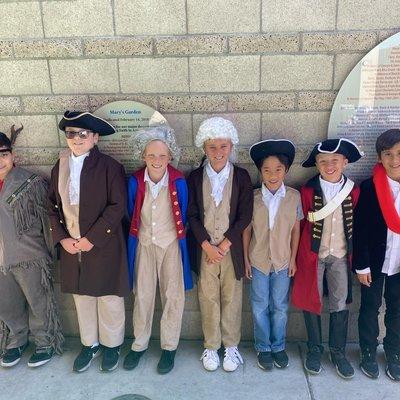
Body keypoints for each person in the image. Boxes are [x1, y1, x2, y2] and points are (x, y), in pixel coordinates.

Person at [48, 111, 129, 373]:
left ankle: (112, 345)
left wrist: (91, 239)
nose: (77, 138)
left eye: (83, 134)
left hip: (103, 244)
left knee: (107, 297)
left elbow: (117, 207)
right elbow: (50, 207)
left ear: (95, 138)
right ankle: (90, 344)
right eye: (71, 134)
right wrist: (61, 239)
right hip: (71, 245)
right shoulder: (59, 166)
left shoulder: (110, 167)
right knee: (82, 297)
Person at [123, 125, 193, 374]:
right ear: (143, 156)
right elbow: (131, 212)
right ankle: (139, 345)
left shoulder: (178, 181)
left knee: (173, 296)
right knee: (142, 295)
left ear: (170, 157)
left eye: (162, 156)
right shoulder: (134, 181)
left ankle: (169, 347)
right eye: (151, 155)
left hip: (171, 244)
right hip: (143, 244)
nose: (156, 160)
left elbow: (183, 212)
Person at [292, 138, 363, 379]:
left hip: (341, 255)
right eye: (323, 161)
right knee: (311, 300)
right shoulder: (308, 190)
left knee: (340, 301)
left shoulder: (354, 191)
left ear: (344, 162)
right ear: (317, 164)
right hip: (313, 255)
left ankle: (338, 352)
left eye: (334, 160)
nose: (329, 165)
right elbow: (301, 224)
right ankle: (314, 348)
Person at [187, 117, 253, 372]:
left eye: (223, 147)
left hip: (230, 250)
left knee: (232, 298)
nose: (218, 152)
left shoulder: (242, 177)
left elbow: (244, 215)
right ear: (204, 148)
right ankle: (211, 346)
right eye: (212, 147)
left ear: (231, 147)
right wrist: (205, 244)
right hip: (206, 251)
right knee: (208, 298)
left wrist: (224, 245)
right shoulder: (194, 177)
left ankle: (231, 347)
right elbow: (192, 213)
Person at [0, 127, 63, 368]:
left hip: (30, 256)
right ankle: (16, 341)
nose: (0, 160)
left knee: (39, 301)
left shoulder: (31, 182)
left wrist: (49, 254)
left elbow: (47, 222)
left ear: (13, 155)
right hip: (1, 260)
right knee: (6, 303)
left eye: (3, 154)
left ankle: (44, 341)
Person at [243, 139, 302, 370]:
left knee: (280, 306)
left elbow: (296, 230)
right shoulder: (254, 197)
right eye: (266, 170)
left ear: (286, 171)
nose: (272, 174)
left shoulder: (294, 197)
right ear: (260, 172)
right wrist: (247, 259)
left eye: (278, 169)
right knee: (259, 305)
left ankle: (278, 346)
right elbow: (246, 230)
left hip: (282, 262)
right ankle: (263, 347)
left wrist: (293, 259)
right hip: (258, 261)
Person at [353, 129, 400, 381]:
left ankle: (394, 353)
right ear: (379, 157)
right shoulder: (371, 188)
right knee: (370, 308)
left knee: (397, 309)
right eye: (388, 154)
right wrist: (361, 265)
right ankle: (368, 351)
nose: (395, 160)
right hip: (375, 262)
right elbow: (360, 230)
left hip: (399, 263)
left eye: (399, 153)